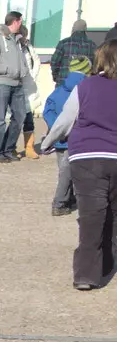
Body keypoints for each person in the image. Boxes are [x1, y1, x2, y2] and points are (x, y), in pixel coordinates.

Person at [41, 39, 117, 289]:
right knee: (114, 217)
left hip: (87, 157)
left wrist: (47, 141)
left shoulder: (85, 86)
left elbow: (65, 120)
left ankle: (86, 275)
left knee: (91, 216)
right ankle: (109, 263)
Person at [0, 10, 27, 163]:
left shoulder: (17, 40)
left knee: (20, 115)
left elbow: (20, 61)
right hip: (2, 83)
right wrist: (7, 70)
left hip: (17, 84)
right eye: (20, 21)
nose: (21, 24)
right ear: (15, 21)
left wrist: (22, 71)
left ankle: (9, 149)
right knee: (0, 119)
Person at [42, 69, 84, 216]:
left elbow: (47, 110)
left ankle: (69, 198)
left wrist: (55, 129)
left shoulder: (58, 91)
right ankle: (59, 203)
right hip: (74, 138)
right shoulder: (84, 90)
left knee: (63, 170)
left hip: (59, 138)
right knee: (68, 171)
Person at [17, 25, 41, 161]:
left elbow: (36, 60)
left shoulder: (28, 47)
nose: (23, 37)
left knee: (28, 116)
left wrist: (34, 75)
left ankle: (29, 147)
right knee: (13, 119)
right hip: (15, 85)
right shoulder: (13, 46)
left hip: (28, 86)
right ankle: (10, 147)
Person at [50, 18, 95, 84]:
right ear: (85, 29)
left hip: (64, 82)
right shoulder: (92, 45)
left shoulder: (64, 43)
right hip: (84, 84)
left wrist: (56, 76)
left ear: (73, 29)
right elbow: (95, 65)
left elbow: (54, 62)